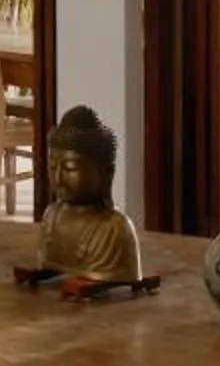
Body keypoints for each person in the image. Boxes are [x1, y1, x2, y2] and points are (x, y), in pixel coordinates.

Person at [38, 106, 142, 283]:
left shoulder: (114, 230)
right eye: (53, 166)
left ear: (106, 173)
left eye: (70, 168)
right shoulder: (51, 217)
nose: (58, 178)